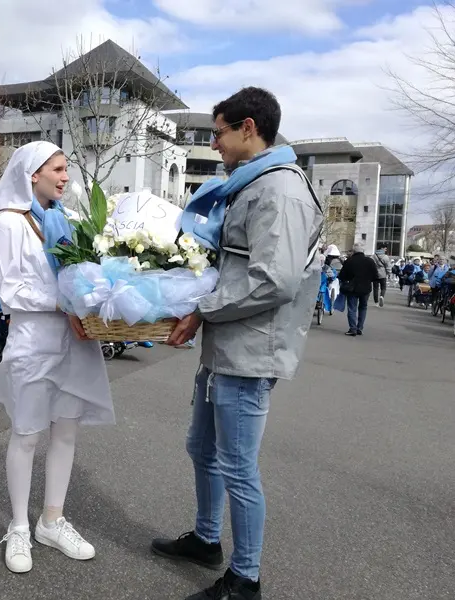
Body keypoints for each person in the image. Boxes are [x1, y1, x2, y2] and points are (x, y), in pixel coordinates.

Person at [156, 88, 323, 600]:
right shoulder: (252, 185)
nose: (215, 142)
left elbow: (274, 280)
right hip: (227, 346)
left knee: (237, 467)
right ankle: (208, 539)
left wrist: (201, 310)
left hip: (250, 353)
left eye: (219, 131)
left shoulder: (279, 191)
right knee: (201, 448)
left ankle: (245, 578)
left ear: (249, 128)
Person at [0, 141, 114, 574]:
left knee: (66, 434)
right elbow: (9, 291)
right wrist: (65, 300)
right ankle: (19, 526)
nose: (65, 177)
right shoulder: (7, 224)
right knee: (26, 433)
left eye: (66, 169)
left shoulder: (66, 221)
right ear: (31, 174)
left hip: (75, 341)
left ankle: (52, 521)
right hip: (34, 344)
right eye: (57, 169)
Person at [337, 241, 379, 336]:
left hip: (352, 288)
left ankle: (353, 329)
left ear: (353, 251)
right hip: (366, 288)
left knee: (352, 308)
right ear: (363, 250)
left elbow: (342, 276)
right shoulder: (370, 261)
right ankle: (360, 327)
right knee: (363, 307)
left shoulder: (349, 261)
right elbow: (375, 276)